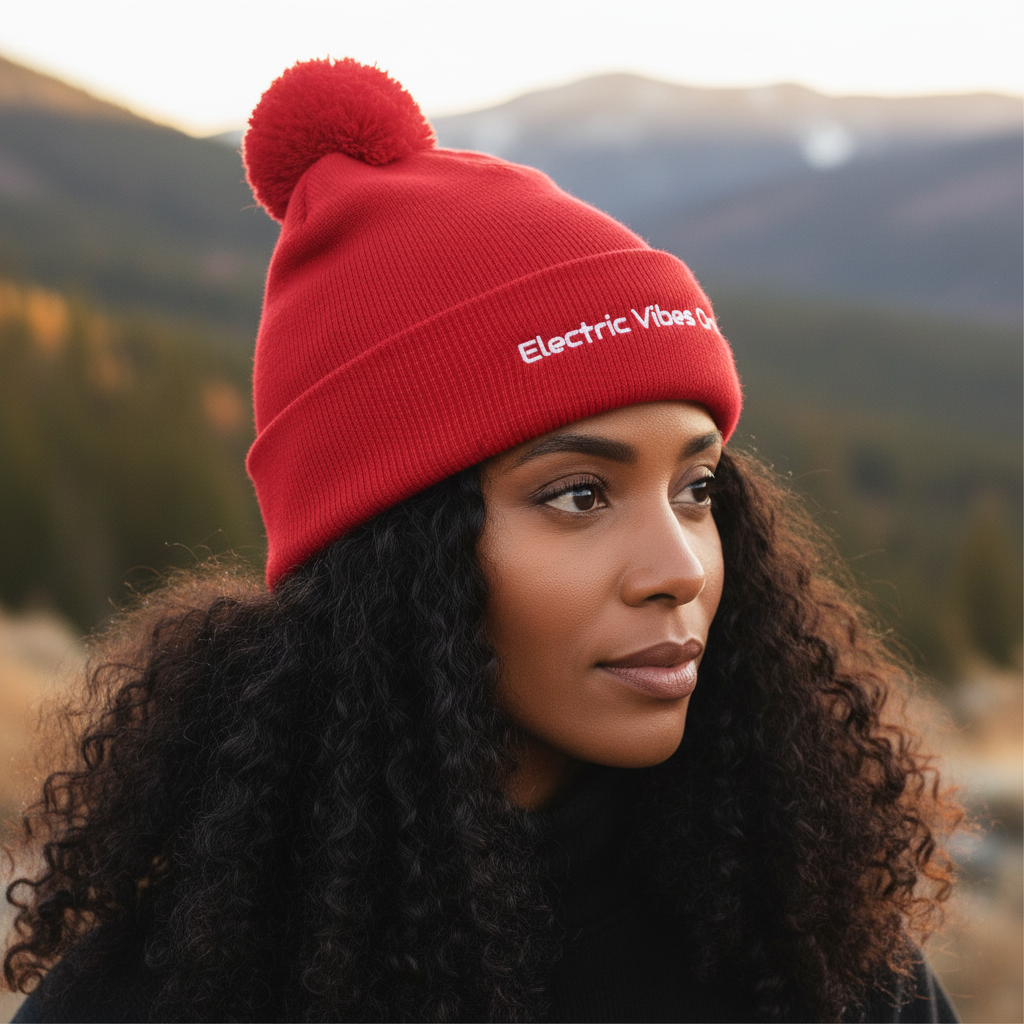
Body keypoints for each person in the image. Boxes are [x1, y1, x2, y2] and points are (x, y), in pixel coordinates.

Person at [3, 59, 962, 1023]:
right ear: (392, 560)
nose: (681, 570)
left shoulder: (815, 957)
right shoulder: (159, 998)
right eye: (580, 494)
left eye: (697, 487)